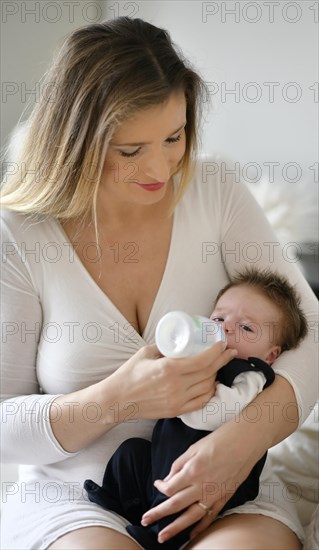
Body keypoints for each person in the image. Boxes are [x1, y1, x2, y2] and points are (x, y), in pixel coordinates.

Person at [0, 16, 317, 550]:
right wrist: (116, 399)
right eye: (131, 151)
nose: (163, 166)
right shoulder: (19, 233)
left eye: (175, 136)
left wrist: (238, 445)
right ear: (75, 142)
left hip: (226, 485)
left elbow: (312, 333)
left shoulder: (212, 189)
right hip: (79, 494)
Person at [84, 267, 308, 550]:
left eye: (246, 327)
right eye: (219, 318)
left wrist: (187, 394)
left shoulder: (249, 373)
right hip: (161, 459)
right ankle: (116, 499)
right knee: (130, 452)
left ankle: (159, 537)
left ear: (271, 354)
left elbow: (219, 412)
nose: (226, 328)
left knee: (182, 489)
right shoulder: (202, 357)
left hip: (209, 472)